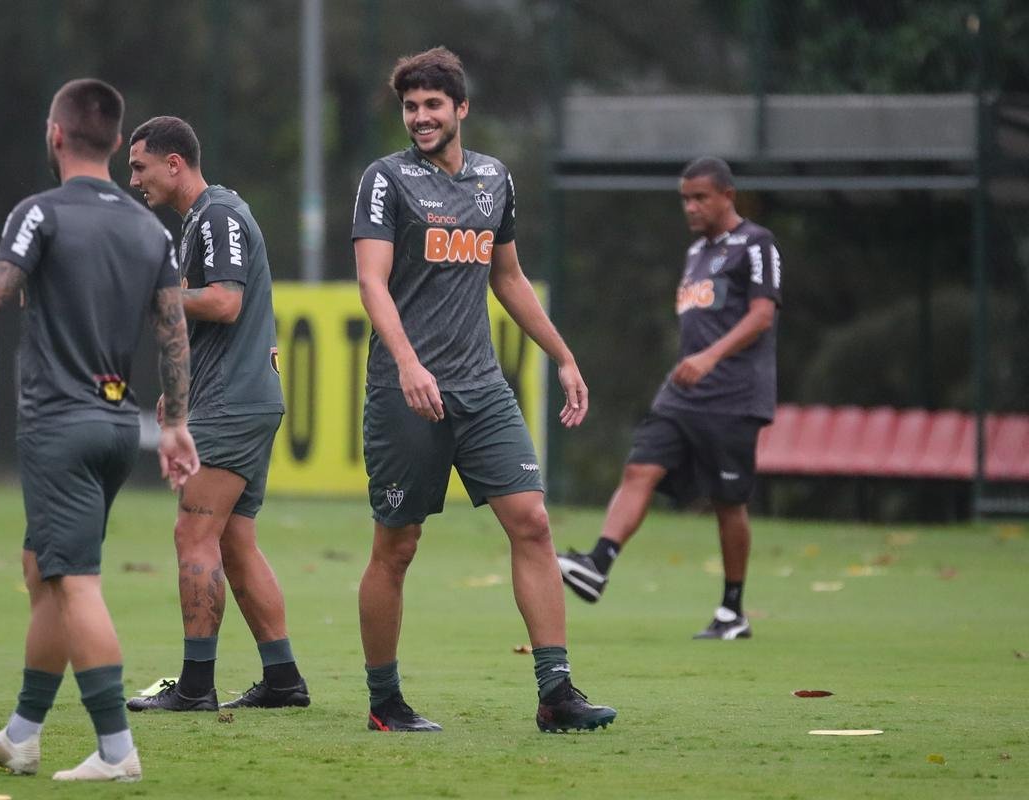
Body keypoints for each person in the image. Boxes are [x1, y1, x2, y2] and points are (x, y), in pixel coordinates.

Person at [0, 79, 199, 781]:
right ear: (117, 143)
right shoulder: (151, 228)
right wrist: (174, 423)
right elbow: (172, 329)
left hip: (61, 423)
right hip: (119, 427)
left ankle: (117, 751)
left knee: (74, 583)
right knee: (41, 571)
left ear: (55, 135)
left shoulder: (41, 213)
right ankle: (21, 734)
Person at [351, 46, 615, 733]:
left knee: (531, 521)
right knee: (397, 545)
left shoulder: (494, 178)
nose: (420, 117)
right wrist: (408, 363)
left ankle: (556, 693)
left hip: (481, 387)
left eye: (433, 105)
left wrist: (562, 355)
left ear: (460, 108)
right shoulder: (385, 180)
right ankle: (385, 702)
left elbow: (509, 278)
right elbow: (372, 282)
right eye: (410, 107)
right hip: (405, 389)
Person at [123, 116, 307, 712]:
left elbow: (226, 303)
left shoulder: (218, 215)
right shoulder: (200, 222)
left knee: (192, 532)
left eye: (139, 167)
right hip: (233, 397)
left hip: (232, 402)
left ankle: (196, 687)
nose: (134, 181)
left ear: (174, 163)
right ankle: (283, 680)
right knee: (235, 542)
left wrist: (149, 296)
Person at [557, 156, 781, 641]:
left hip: (734, 396)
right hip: (682, 395)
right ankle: (599, 563)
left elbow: (762, 315)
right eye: (685, 199)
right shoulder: (696, 253)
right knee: (639, 467)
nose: (691, 207)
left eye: (700, 197)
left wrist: (711, 358)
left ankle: (732, 610)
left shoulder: (756, 243)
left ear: (727, 195)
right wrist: (692, 364)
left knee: (728, 501)